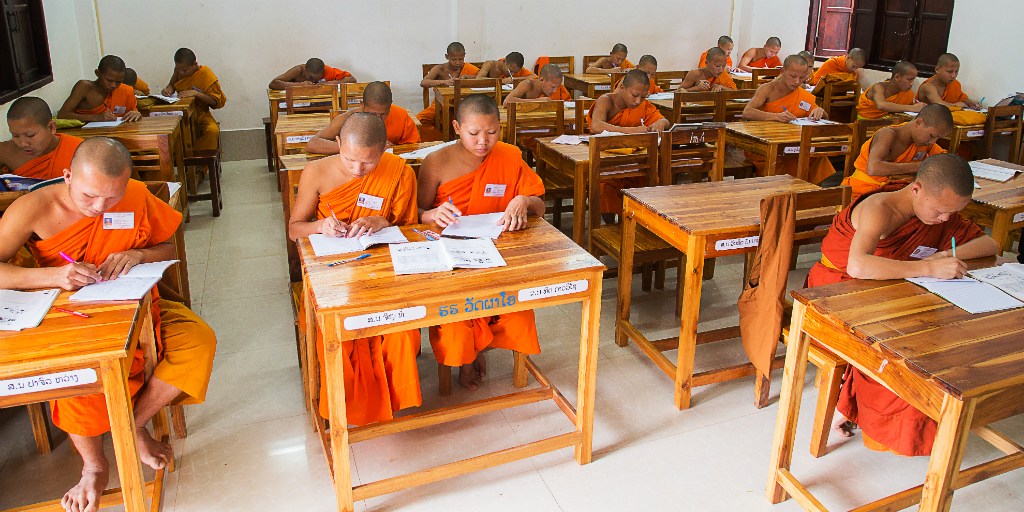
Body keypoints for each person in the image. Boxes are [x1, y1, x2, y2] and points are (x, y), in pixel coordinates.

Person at [0, 137, 217, 512]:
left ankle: (130, 426)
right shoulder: (33, 207)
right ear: (67, 176)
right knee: (80, 376)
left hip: (139, 308)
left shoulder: (135, 194)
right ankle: (93, 467)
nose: (100, 208)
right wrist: (55, 277)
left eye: (112, 199)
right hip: (70, 317)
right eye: (89, 197)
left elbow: (168, 247)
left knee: (198, 341)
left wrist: (138, 253)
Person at [808, 153, 999, 456]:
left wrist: (939, 258)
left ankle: (934, 414)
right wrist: (927, 268)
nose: (945, 219)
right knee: (902, 352)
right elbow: (857, 266)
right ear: (916, 190)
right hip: (839, 290)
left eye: (954, 212)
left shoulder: (937, 211)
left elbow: (990, 245)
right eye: (941, 210)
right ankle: (878, 418)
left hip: (894, 288)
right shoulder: (879, 209)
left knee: (945, 336)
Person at [288, 113, 422, 424]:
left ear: (385, 150)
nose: (357, 169)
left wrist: (382, 221)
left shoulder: (399, 172)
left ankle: (395, 399)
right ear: (337, 144)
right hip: (332, 272)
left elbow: (411, 229)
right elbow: (295, 229)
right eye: (349, 159)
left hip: (384, 269)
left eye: (369, 163)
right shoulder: (316, 171)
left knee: (402, 332)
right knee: (341, 336)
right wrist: (321, 225)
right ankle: (347, 403)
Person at [417, 95, 545, 390]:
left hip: (501, 254)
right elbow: (416, 215)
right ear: (456, 128)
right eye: (474, 133)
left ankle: (481, 350)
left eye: (492, 132)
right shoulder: (436, 162)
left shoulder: (510, 156)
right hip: (452, 260)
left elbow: (540, 207)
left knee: (518, 314)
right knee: (455, 325)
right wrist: (433, 213)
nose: (483, 142)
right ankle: (466, 356)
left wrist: (523, 200)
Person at [587, 69, 669, 219]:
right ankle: (610, 230)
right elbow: (596, 126)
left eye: (643, 97)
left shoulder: (643, 105)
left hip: (634, 163)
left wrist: (660, 123)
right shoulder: (606, 100)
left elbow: (665, 120)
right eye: (634, 95)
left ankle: (640, 225)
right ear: (623, 88)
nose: (638, 101)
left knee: (651, 181)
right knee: (605, 188)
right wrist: (633, 131)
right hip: (607, 164)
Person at [741, 55, 835, 184]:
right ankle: (787, 196)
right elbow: (747, 112)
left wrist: (820, 111)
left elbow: (824, 117)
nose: (797, 81)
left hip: (792, 142)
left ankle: (810, 195)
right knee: (791, 159)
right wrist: (777, 117)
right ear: (782, 71)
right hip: (764, 145)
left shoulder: (803, 95)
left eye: (802, 78)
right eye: (793, 76)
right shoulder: (768, 89)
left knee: (817, 156)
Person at [842, 104, 952, 201]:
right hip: (863, 193)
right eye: (932, 136)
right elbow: (873, 168)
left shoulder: (925, 143)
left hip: (894, 193)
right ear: (919, 122)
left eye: (938, 138)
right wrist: (918, 167)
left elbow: (944, 161)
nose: (933, 142)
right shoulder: (888, 134)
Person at [305, 82, 419, 153]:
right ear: (362, 104)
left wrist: (390, 147)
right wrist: (355, 148)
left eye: (384, 114)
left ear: (391, 104)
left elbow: (414, 148)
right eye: (373, 113)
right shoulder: (346, 119)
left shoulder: (401, 115)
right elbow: (312, 144)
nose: (379, 118)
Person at [0, 97, 83, 179]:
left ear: (51, 128)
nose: (23, 143)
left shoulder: (80, 150)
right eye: (15, 135)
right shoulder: (5, 151)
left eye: (30, 135)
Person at [162, 48, 226, 151]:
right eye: (178, 69)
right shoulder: (179, 70)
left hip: (201, 113)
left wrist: (196, 94)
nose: (181, 72)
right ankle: (181, 162)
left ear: (195, 64)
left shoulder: (206, 75)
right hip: (181, 113)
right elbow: (171, 85)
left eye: (184, 70)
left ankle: (200, 164)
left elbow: (216, 101)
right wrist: (168, 90)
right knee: (169, 132)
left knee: (212, 131)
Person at [57, 55, 142, 123]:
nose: (113, 85)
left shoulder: (126, 91)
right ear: (97, 73)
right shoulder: (84, 87)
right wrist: (96, 117)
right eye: (109, 80)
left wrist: (136, 114)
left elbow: (133, 112)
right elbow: (62, 115)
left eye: (118, 82)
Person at [416, 42, 481, 127]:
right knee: (418, 121)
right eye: (454, 60)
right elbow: (423, 82)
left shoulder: (467, 68)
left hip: (464, 105)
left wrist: (466, 76)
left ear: (464, 56)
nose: (457, 63)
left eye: (460, 59)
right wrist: (443, 82)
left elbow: (482, 78)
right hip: (440, 105)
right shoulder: (440, 69)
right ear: (447, 57)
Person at [857, 61, 925, 120]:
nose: (912, 83)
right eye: (909, 79)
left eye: (913, 80)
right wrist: (912, 108)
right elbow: (881, 105)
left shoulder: (908, 93)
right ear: (897, 77)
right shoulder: (879, 87)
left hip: (888, 124)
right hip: (866, 124)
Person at [503, 63, 571, 105]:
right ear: (542, 80)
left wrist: (578, 101)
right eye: (553, 87)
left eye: (557, 86)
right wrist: (537, 101)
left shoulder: (556, 84)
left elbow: (567, 102)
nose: (555, 90)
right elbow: (507, 102)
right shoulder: (527, 85)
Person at [268, 58, 356, 90]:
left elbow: (352, 79)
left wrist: (329, 83)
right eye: (310, 77)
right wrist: (300, 85)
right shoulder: (299, 70)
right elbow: (273, 83)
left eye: (317, 78)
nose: (313, 81)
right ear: (305, 69)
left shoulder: (327, 70)